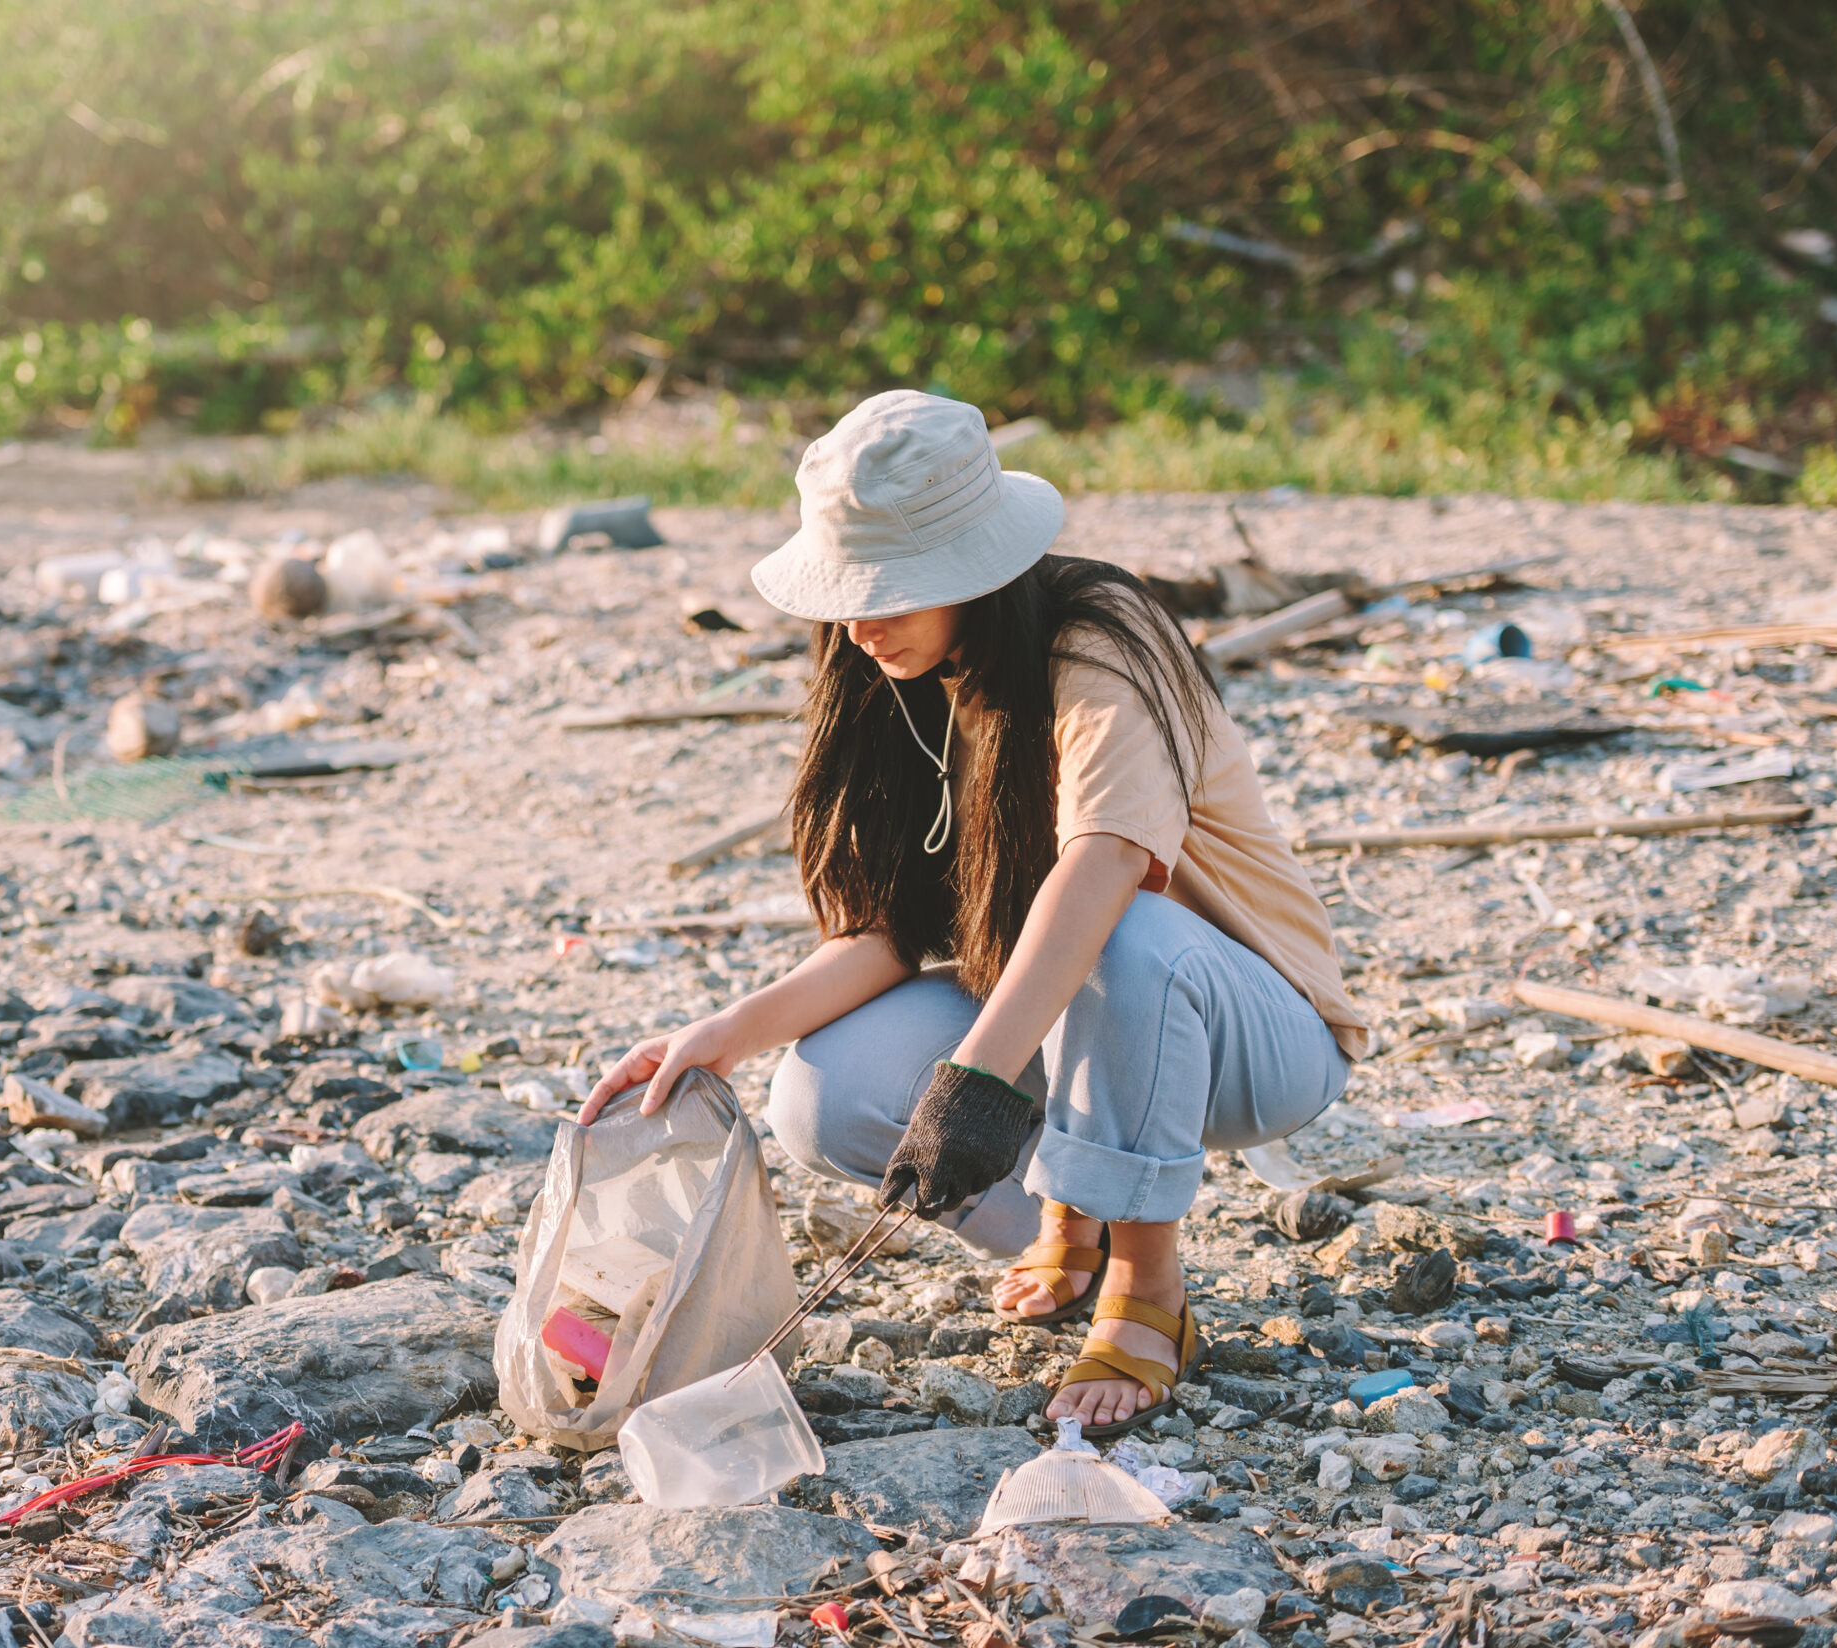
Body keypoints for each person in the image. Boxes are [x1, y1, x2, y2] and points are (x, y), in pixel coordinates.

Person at [576, 391, 1367, 1436]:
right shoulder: (890, 675)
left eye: (892, 589)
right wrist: (722, 1034)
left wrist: (976, 1084)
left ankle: (1147, 1282)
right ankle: (1067, 1222)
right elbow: (887, 933)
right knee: (824, 1090)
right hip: (1086, 1011)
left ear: (977, 568)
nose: (861, 621)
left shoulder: (1104, 639)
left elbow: (1104, 866)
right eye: (847, 591)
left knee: (1121, 928)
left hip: (1253, 1029)